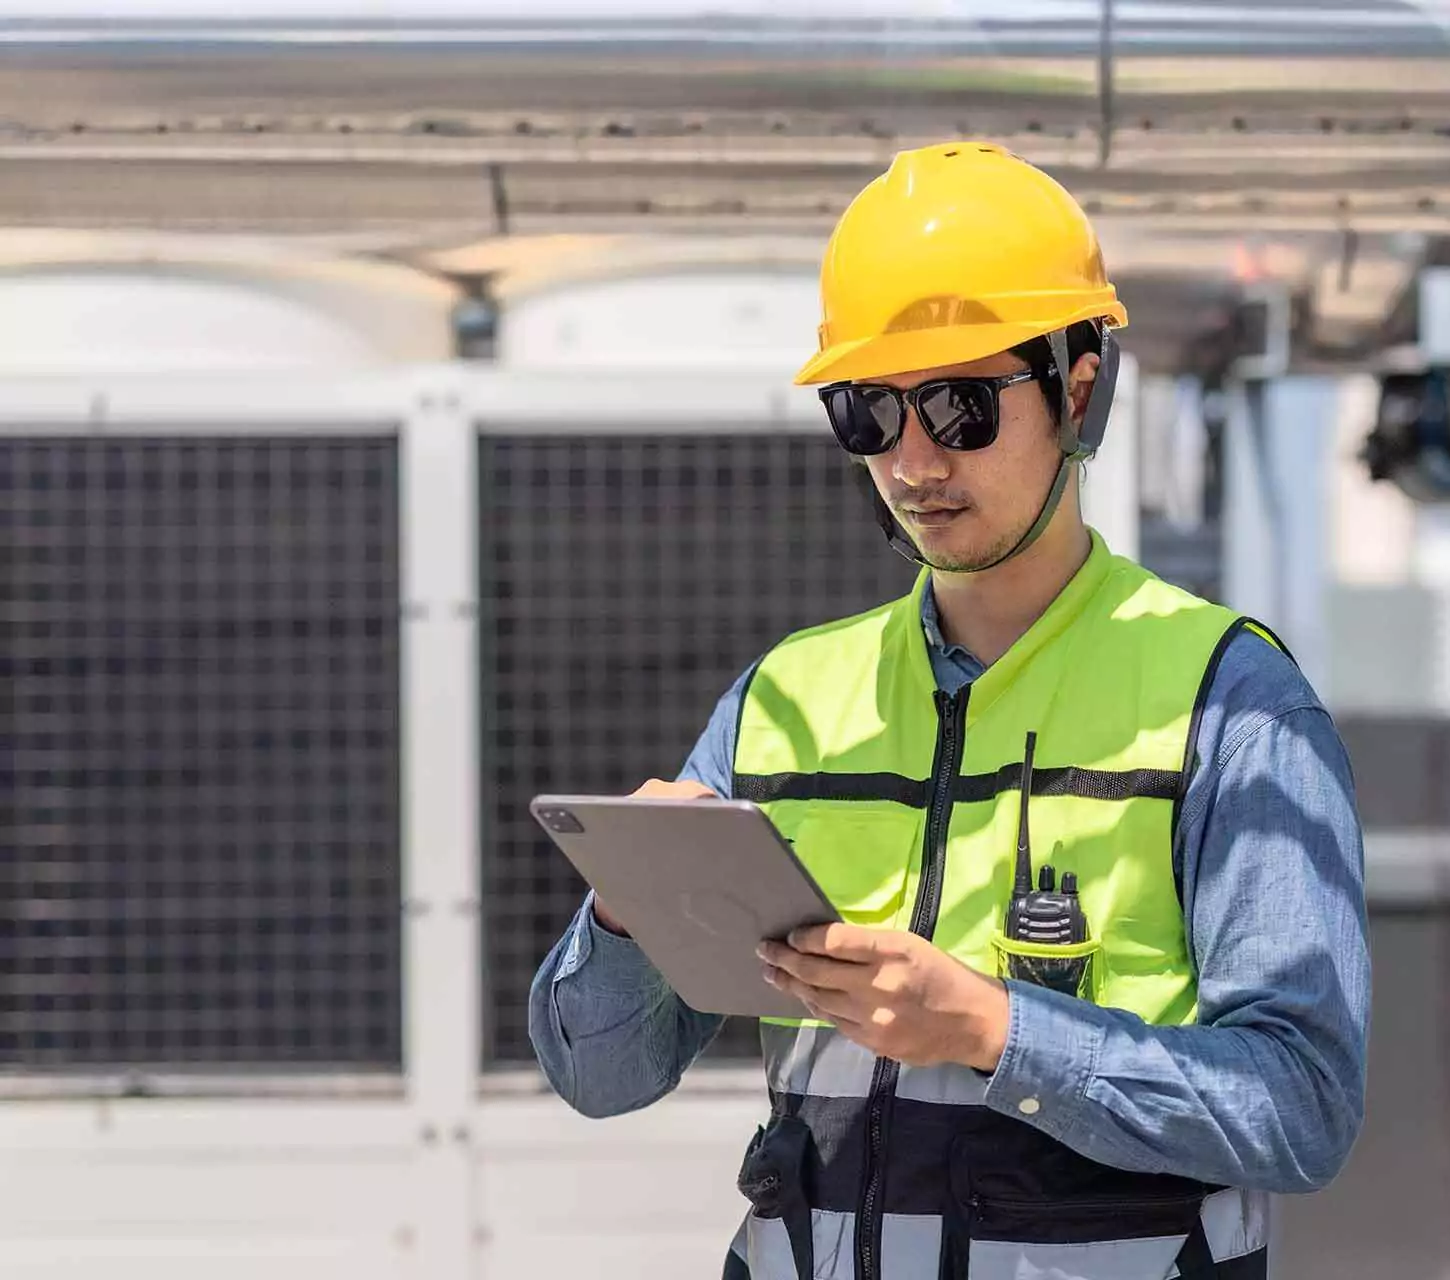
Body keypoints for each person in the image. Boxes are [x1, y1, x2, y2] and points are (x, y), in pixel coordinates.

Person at [529, 140, 1370, 1280]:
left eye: (962, 405)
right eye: (870, 414)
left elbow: (1298, 1108)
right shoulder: (786, 700)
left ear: (1080, 389)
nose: (914, 458)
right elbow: (600, 1075)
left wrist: (993, 1029)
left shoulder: (1228, 698)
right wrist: (627, 918)